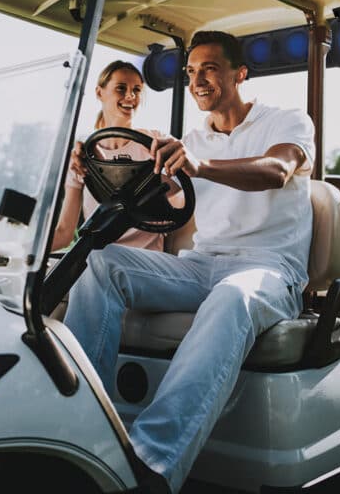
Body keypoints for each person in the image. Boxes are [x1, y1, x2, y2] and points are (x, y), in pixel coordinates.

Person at [63, 31, 315, 494]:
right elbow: (150, 200)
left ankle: (151, 464)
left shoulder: (287, 121)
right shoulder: (192, 138)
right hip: (203, 263)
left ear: (240, 74)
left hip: (269, 268)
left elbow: (278, 171)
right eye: (192, 71)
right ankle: (81, 434)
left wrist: (200, 167)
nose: (198, 80)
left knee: (231, 298)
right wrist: (89, 172)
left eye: (210, 69)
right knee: (102, 264)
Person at [52, 60, 171, 252]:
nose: (130, 96)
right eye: (121, 88)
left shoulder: (157, 142)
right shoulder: (81, 156)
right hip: (100, 257)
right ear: (100, 93)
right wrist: (20, 252)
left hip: (145, 261)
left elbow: (182, 189)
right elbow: (65, 233)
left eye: (137, 90)